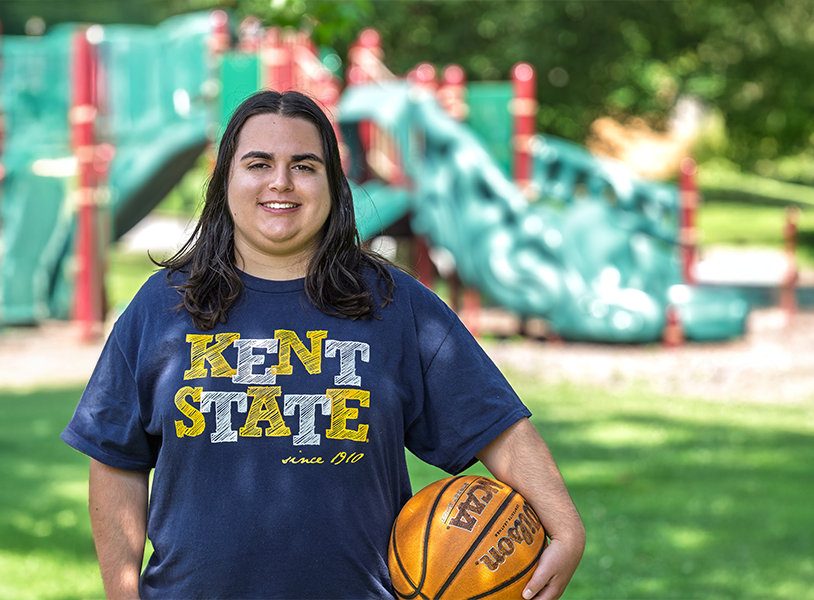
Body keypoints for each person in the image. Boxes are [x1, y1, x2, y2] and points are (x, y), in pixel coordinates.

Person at [62, 90, 584, 600]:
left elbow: (497, 427)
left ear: (333, 183)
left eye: (305, 166)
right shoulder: (162, 306)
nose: (281, 182)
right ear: (225, 181)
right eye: (258, 163)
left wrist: (565, 529)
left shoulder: (395, 304)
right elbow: (114, 457)